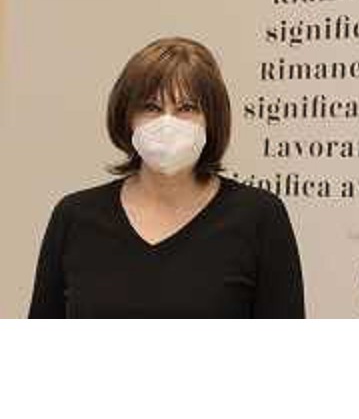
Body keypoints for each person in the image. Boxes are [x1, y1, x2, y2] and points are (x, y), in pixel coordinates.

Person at [27, 36, 305, 318]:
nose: (168, 124)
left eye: (187, 108)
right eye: (151, 107)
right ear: (127, 117)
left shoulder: (259, 217)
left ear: (212, 119)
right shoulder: (74, 217)